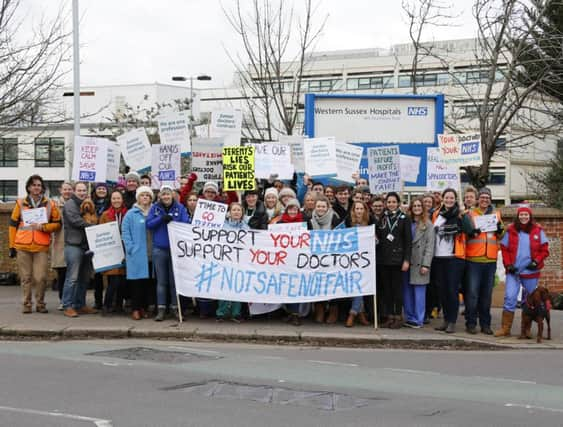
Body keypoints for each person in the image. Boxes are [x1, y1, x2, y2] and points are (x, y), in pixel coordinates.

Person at [8, 174, 62, 313]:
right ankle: (26, 304)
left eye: (39, 185)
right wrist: (11, 246)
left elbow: (57, 224)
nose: (36, 187)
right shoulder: (20, 203)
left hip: (41, 246)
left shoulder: (50, 204)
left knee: (41, 278)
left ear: (42, 188)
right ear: (29, 187)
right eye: (34, 185)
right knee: (26, 278)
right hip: (22, 246)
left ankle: (40, 304)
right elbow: (13, 225)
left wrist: (44, 227)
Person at [496, 206, 550, 337]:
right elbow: (504, 248)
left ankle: (526, 329)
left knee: (531, 302)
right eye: (521, 215)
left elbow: (545, 250)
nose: (524, 217)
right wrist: (508, 265)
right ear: (518, 216)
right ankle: (505, 328)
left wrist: (536, 261)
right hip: (513, 272)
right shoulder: (511, 230)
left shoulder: (538, 230)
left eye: (526, 214)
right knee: (510, 297)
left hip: (531, 272)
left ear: (530, 216)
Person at [464, 187, 504, 335]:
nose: (484, 200)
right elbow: (465, 235)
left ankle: (485, 324)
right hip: (474, 259)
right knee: (472, 294)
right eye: (482, 197)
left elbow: (501, 235)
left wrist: (500, 229)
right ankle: (471, 323)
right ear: (477, 199)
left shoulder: (496, 214)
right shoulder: (470, 214)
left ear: (490, 199)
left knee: (486, 295)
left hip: (490, 260)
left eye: (487, 197)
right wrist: (471, 232)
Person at [146, 185, 189, 321]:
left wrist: (173, 219)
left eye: (168, 194)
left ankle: (175, 308)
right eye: (163, 194)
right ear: (160, 196)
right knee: (161, 281)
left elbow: (185, 222)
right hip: (160, 248)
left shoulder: (180, 207)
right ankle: (161, 309)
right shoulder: (155, 208)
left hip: (175, 249)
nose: (165, 197)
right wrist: (161, 219)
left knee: (174, 281)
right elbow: (149, 224)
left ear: (172, 195)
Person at [431, 188, 471, 333]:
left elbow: (469, 230)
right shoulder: (436, 214)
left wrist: (463, 214)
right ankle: (446, 319)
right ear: (442, 199)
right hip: (438, 257)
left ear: (455, 200)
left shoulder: (460, 214)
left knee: (452, 290)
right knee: (442, 291)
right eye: (446, 197)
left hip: (455, 258)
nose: (449, 200)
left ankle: (452, 322)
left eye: (451, 198)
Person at [61, 182, 98, 317]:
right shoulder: (70, 205)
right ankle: (67, 305)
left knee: (84, 278)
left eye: (84, 190)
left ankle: (80, 304)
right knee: (72, 277)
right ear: (74, 191)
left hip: (86, 247)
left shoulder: (88, 204)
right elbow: (75, 221)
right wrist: (92, 225)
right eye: (79, 190)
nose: (82, 192)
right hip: (73, 245)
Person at [377, 193, 412, 329]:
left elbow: (408, 241)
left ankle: (398, 316)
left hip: (398, 259)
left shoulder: (404, 218)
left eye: (393, 202)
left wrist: (406, 260)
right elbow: (379, 235)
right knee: (387, 290)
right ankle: (389, 316)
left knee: (397, 289)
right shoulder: (383, 217)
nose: (391, 204)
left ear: (398, 203)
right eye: (389, 202)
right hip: (384, 259)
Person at [275, 198, 311, 325]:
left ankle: (296, 314)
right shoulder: (279, 224)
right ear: (286, 210)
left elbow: (311, 238)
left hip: (299, 260)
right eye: (290, 208)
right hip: (284, 260)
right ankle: (290, 312)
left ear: (298, 209)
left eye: (295, 208)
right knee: (286, 286)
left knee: (296, 286)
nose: (292, 211)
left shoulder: (305, 222)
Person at [122, 186, 154, 320]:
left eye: (147, 195)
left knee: (147, 283)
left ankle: (144, 308)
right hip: (136, 253)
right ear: (138, 198)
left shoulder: (154, 212)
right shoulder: (131, 214)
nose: (145, 197)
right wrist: (130, 248)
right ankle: (135, 309)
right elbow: (125, 232)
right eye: (142, 195)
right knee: (136, 283)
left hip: (151, 252)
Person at [310, 195, 343, 324]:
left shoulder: (334, 218)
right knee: (318, 283)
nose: (321, 209)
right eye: (318, 206)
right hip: (316, 258)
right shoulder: (310, 219)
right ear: (315, 207)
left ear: (327, 207)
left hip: (331, 256)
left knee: (332, 283)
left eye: (323, 206)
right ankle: (320, 309)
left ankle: (333, 310)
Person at [403, 197, 435, 328]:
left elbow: (430, 246)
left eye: (419, 206)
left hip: (420, 263)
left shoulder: (428, 224)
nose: (417, 208)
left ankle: (419, 319)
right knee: (407, 291)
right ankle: (409, 316)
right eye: (414, 206)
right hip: (407, 262)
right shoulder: (407, 222)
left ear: (423, 208)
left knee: (419, 293)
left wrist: (426, 264)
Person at [216, 203, 248, 322]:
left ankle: (236, 313)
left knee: (237, 286)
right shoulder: (223, 225)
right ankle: (221, 312)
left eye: (238, 210)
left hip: (239, 261)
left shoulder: (246, 227)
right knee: (224, 286)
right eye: (234, 210)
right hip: (225, 260)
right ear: (229, 212)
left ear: (242, 213)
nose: (236, 212)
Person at [98, 190, 128, 315]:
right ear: (111, 200)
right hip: (111, 250)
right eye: (114, 198)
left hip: (125, 249)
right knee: (113, 280)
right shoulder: (105, 215)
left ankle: (119, 306)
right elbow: (100, 232)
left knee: (122, 280)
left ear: (122, 200)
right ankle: (106, 305)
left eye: (118, 198)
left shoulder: (128, 214)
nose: (116, 201)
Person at [344, 201, 373, 327]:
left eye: (362, 208)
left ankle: (354, 313)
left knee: (360, 286)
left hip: (365, 261)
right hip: (351, 260)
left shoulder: (370, 224)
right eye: (357, 208)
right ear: (353, 210)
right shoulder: (348, 223)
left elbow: (376, 242)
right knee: (357, 286)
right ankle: (357, 313)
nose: (359, 211)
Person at [51, 181, 73, 310]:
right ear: (60, 190)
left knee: (73, 274)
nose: (67, 191)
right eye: (65, 189)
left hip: (74, 242)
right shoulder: (54, 206)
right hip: (60, 242)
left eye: (70, 189)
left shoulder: (77, 205)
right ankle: (62, 300)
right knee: (62, 274)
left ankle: (72, 300)